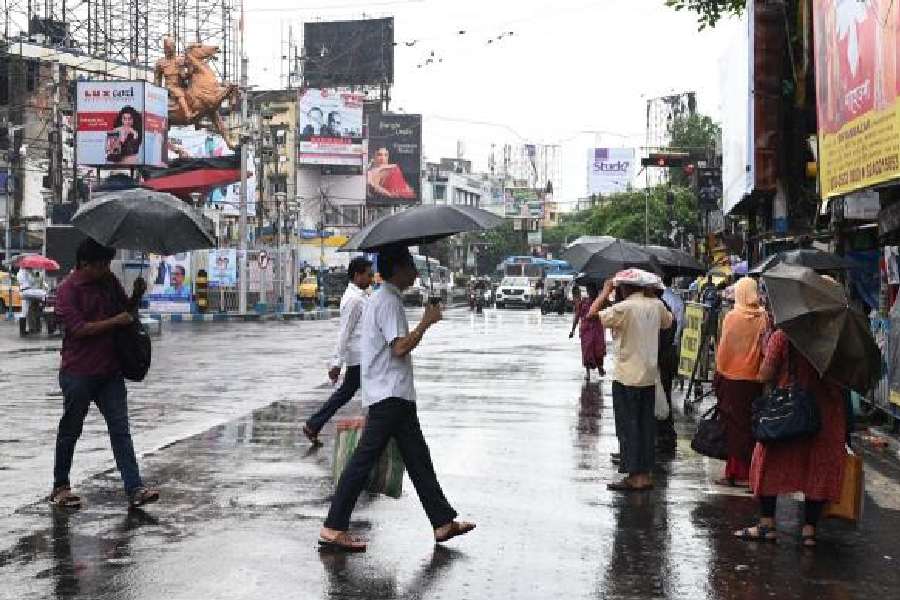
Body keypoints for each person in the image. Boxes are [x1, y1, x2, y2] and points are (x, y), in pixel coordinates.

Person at [318, 245, 474, 552]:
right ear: (397, 269)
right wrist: (427, 322)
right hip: (389, 396)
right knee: (362, 462)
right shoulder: (388, 301)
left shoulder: (385, 298)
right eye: (411, 267)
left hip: (395, 394)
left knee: (419, 459)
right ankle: (333, 527)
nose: (415, 273)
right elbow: (399, 347)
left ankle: (442, 522)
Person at [49, 238, 159, 509]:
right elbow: (78, 329)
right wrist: (115, 321)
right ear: (84, 264)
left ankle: (135, 488)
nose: (106, 270)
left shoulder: (108, 282)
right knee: (70, 430)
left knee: (120, 430)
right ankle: (60, 486)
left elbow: (126, 314)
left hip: (110, 371)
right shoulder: (67, 290)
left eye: (108, 264)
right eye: (101, 265)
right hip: (79, 372)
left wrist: (135, 296)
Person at [734, 322, 847, 547]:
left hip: (788, 414)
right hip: (825, 416)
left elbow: (764, 374)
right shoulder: (835, 342)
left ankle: (767, 524)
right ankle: (809, 530)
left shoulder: (783, 337)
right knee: (817, 468)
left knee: (770, 462)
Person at [589, 269, 673, 491]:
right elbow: (668, 322)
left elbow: (592, 315)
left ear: (624, 288)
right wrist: (652, 294)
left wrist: (605, 292)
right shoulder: (656, 305)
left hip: (627, 377)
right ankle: (644, 474)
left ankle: (634, 476)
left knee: (628, 428)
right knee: (646, 427)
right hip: (648, 376)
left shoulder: (624, 308)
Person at [303, 257, 374, 444]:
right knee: (362, 393)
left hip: (363, 355)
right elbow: (345, 332)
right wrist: (336, 363)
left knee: (347, 393)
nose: (371, 278)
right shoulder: (353, 300)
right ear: (357, 275)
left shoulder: (361, 296)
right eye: (368, 274)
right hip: (359, 356)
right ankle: (314, 424)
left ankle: (314, 424)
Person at [713, 277, 769, 487]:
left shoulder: (732, 317)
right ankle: (751, 472)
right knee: (750, 425)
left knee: (734, 427)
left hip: (731, 378)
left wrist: (719, 373)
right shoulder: (764, 318)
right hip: (755, 380)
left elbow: (724, 349)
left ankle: (735, 472)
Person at [570, 282, 606, 381]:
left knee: (598, 350)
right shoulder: (583, 303)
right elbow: (577, 316)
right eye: (589, 290)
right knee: (587, 351)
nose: (591, 292)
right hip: (586, 331)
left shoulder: (600, 302)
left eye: (592, 290)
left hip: (598, 330)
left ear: (596, 291)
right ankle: (588, 372)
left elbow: (607, 314)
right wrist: (572, 330)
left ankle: (600, 368)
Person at [154, 36, 194, 120]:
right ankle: (187, 114)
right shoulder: (160, 63)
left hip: (182, 85)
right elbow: (157, 80)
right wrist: (157, 92)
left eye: (171, 47)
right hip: (170, 87)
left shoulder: (180, 60)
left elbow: (189, 72)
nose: (169, 49)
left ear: (174, 47)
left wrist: (186, 70)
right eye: (167, 47)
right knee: (179, 93)